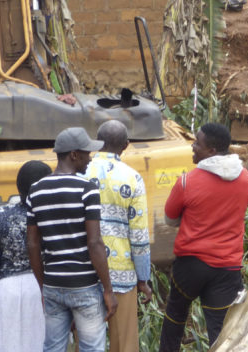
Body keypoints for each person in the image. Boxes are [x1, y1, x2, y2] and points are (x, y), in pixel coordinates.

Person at [159, 123, 248, 351]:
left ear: (211, 151)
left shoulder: (186, 182)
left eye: (197, 143)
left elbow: (170, 220)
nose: (193, 147)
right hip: (227, 269)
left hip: (190, 267)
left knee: (174, 318)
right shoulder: (246, 180)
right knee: (221, 331)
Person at [27, 127, 117, 352]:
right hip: (84, 285)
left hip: (53, 284)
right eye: (87, 153)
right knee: (92, 348)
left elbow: (32, 243)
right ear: (74, 155)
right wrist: (107, 289)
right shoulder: (87, 189)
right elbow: (94, 242)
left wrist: (43, 285)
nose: (90, 158)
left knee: (53, 347)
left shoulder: (35, 191)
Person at [86, 121, 152, 352]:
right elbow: (139, 234)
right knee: (124, 343)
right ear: (126, 145)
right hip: (121, 275)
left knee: (84, 342)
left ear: (96, 141)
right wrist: (143, 278)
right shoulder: (133, 179)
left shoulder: (81, 172)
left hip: (84, 273)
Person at [0, 160, 52, 352]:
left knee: (7, 343)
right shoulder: (52, 215)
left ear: (19, 186)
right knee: (40, 341)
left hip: (6, 288)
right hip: (43, 286)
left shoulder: (2, 214)